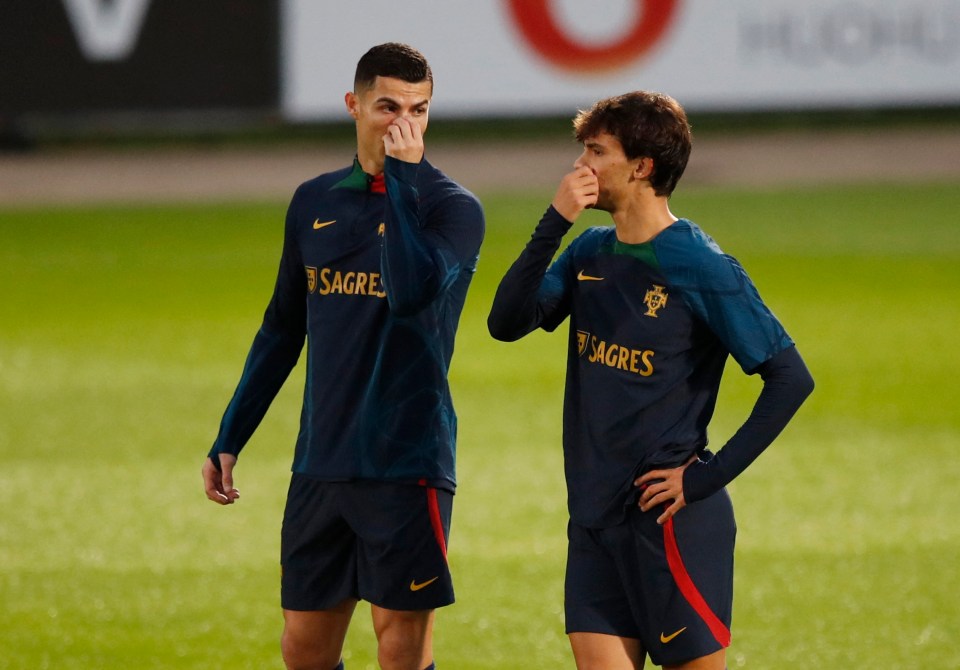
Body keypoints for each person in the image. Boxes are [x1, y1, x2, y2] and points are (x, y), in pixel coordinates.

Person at [487, 91, 814, 669]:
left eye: (596, 151)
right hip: (592, 521)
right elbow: (506, 322)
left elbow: (789, 378)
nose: (581, 166)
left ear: (641, 167)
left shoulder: (698, 264)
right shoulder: (590, 249)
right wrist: (554, 221)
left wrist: (706, 479)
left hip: (668, 525)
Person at [202, 43, 485, 670]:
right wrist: (231, 433)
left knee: (400, 652)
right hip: (322, 462)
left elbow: (410, 292)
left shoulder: (453, 210)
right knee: (303, 650)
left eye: (419, 109)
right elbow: (281, 329)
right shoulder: (314, 202)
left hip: (407, 465)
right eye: (388, 107)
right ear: (353, 105)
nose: (403, 123)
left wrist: (404, 183)